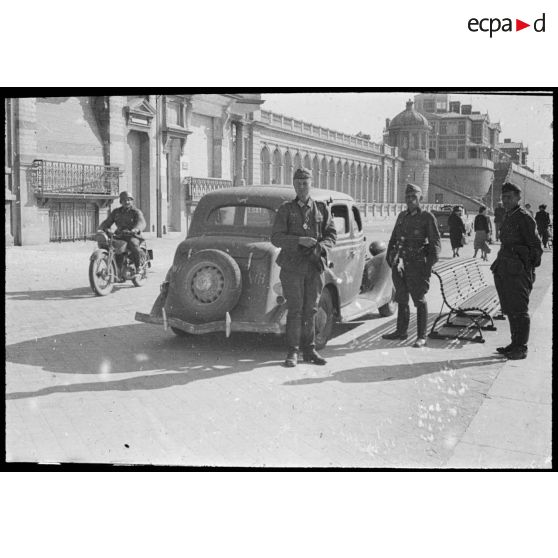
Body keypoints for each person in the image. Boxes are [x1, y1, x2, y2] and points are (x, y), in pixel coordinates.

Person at [271, 168, 337, 367]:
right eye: (298, 183)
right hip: (292, 268)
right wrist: (300, 240)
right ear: (294, 185)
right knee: (295, 310)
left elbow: (331, 235)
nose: (302, 187)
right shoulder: (285, 209)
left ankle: (309, 350)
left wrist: (319, 247)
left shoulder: (322, 209)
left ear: (311, 184)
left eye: (305, 183)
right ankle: (292, 351)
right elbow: (276, 238)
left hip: (314, 267)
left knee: (311, 310)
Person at [382, 183, 441, 348]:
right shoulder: (402, 216)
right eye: (407, 197)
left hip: (417, 265)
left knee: (419, 300)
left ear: (420, 198)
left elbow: (435, 245)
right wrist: (390, 259)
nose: (410, 200)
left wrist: (427, 266)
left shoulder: (427, 217)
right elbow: (393, 239)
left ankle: (421, 336)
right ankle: (401, 331)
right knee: (401, 297)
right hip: (400, 263)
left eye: (413, 197)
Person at [491, 182, 543, 360]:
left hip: (518, 271)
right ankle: (514, 343)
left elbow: (536, 248)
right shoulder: (509, 215)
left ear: (518, 198)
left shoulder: (524, 217)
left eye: (509, 197)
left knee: (520, 310)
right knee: (511, 309)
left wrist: (525, 269)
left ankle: (521, 347)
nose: (505, 200)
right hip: (505, 269)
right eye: (503, 197)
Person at [98, 191, 147, 273]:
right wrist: (102, 228)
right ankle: (117, 268)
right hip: (120, 235)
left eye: (129, 200)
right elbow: (108, 221)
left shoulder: (136, 212)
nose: (127, 202)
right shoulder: (116, 212)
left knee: (133, 244)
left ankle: (139, 266)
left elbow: (141, 222)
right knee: (110, 246)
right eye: (124, 200)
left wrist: (136, 229)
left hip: (132, 235)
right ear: (121, 202)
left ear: (132, 201)